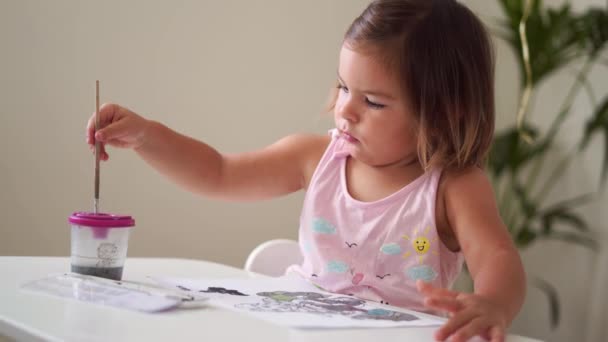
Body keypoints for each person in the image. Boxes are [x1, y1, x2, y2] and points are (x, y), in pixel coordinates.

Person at [86, 0, 525, 340]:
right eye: (343, 86)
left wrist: (492, 304)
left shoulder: (453, 187)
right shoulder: (315, 159)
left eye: (373, 101)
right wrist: (147, 136)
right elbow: (217, 172)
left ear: (444, 112)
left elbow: (497, 257)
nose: (345, 109)